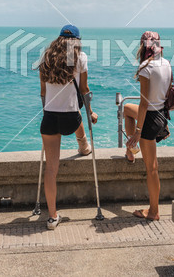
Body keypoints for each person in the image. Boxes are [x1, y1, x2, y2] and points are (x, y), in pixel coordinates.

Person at [38, 24, 98, 229]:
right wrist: (90, 112)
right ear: (77, 41)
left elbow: (43, 92)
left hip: (50, 118)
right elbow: (84, 89)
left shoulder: (46, 58)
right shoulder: (80, 58)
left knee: (51, 169)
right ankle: (83, 146)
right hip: (72, 119)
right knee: (78, 114)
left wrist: (46, 110)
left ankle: (52, 217)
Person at [125, 31, 171, 221]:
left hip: (150, 118)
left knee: (152, 169)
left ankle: (153, 211)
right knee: (127, 108)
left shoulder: (146, 68)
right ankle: (131, 150)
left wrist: (137, 131)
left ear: (144, 46)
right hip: (161, 114)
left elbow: (144, 104)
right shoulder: (166, 64)